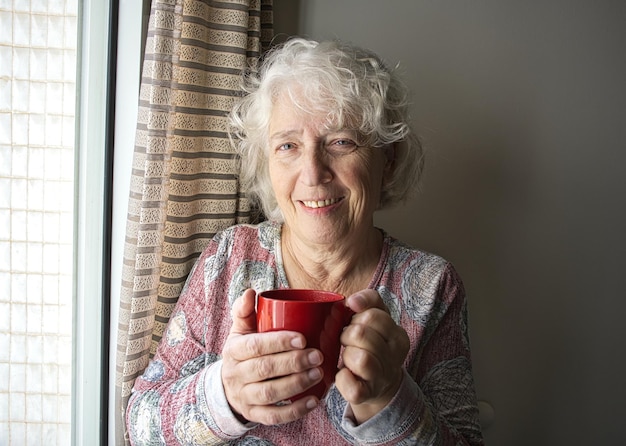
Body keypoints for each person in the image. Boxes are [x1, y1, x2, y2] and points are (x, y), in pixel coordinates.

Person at [126, 37, 484, 445]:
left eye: (341, 141)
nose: (313, 173)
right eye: (288, 146)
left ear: (388, 161)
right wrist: (225, 396)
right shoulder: (228, 259)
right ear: (267, 164)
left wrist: (390, 399)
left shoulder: (433, 285)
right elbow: (140, 425)